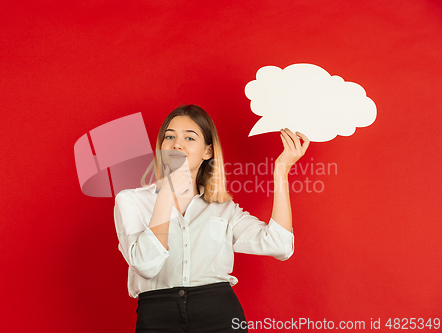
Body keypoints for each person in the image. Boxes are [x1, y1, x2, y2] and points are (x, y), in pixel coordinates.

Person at [113, 105, 310, 332]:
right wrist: (167, 191)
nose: (177, 144)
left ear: (207, 152)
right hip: (157, 316)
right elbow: (146, 266)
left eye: (189, 137)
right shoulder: (130, 201)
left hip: (219, 314)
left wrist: (281, 169)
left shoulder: (223, 208)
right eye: (170, 137)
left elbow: (280, 245)